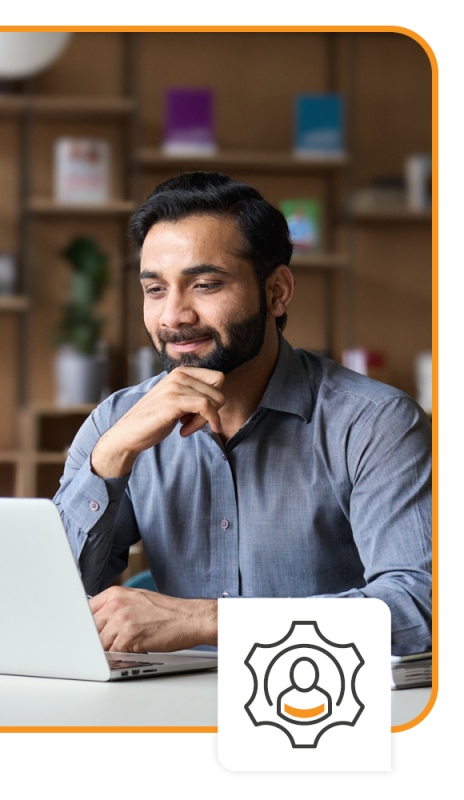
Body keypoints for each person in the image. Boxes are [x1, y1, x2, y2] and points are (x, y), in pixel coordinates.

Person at [53, 172, 432, 657]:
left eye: (205, 284)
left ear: (276, 292)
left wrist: (207, 620)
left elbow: (418, 609)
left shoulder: (375, 423)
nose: (173, 316)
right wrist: (108, 461)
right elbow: (48, 606)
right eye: (155, 290)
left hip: (317, 708)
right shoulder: (117, 424)